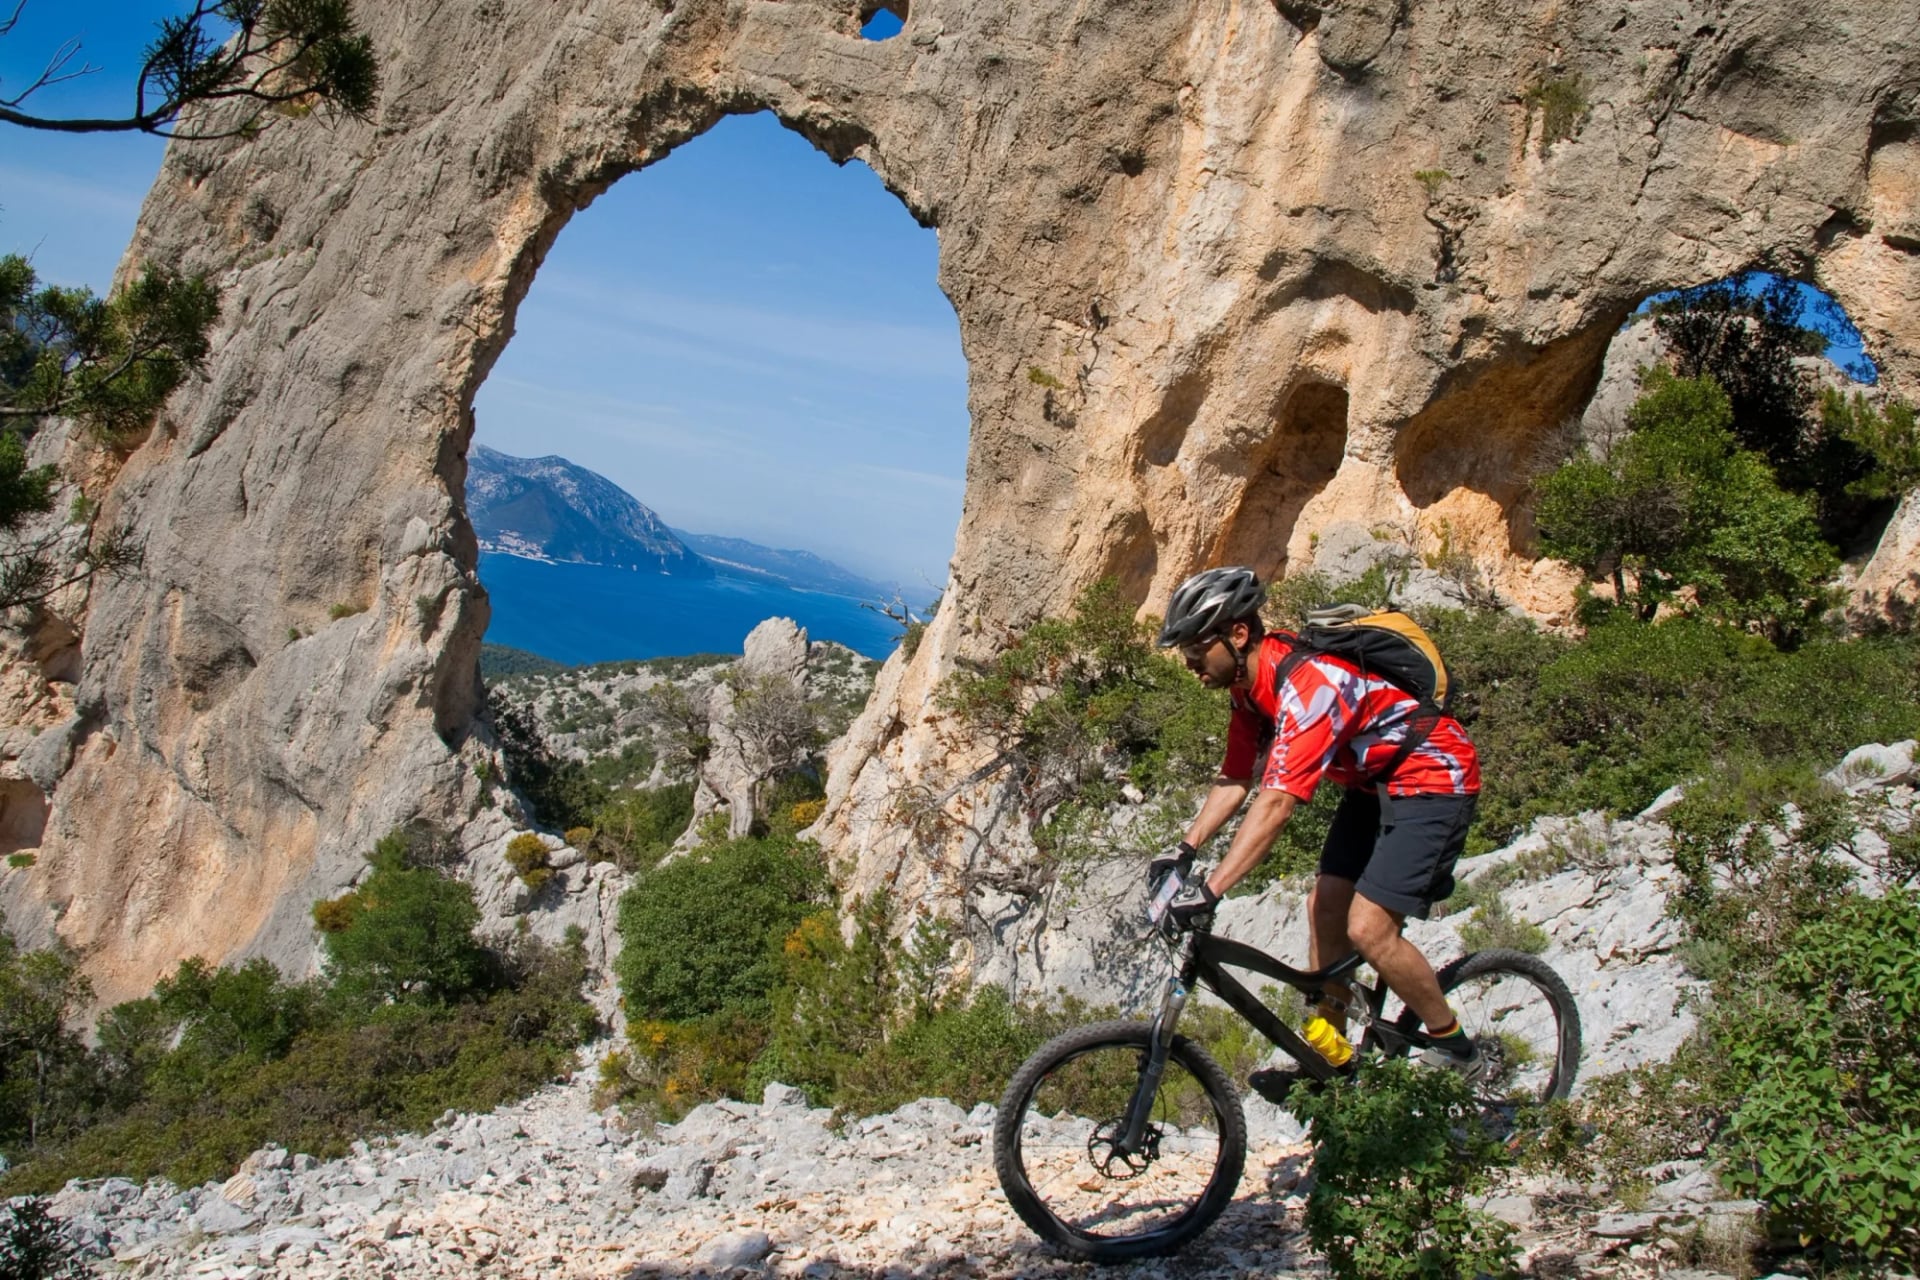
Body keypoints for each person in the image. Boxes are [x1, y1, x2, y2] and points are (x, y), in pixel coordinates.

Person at [1150, 565, 1485, 1080]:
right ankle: (1332, 1051)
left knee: (1369, 929)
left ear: (1237, 635)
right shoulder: (1246, 688)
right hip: (1372, 786)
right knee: (1324, 904)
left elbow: (1276, 803)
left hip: (1434, 778)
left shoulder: (1310, 686)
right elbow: (1237, 779)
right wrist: (1184, 849)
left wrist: (1212, 890)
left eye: (1196, 652)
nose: (1191, 665)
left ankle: (1461, 1051)